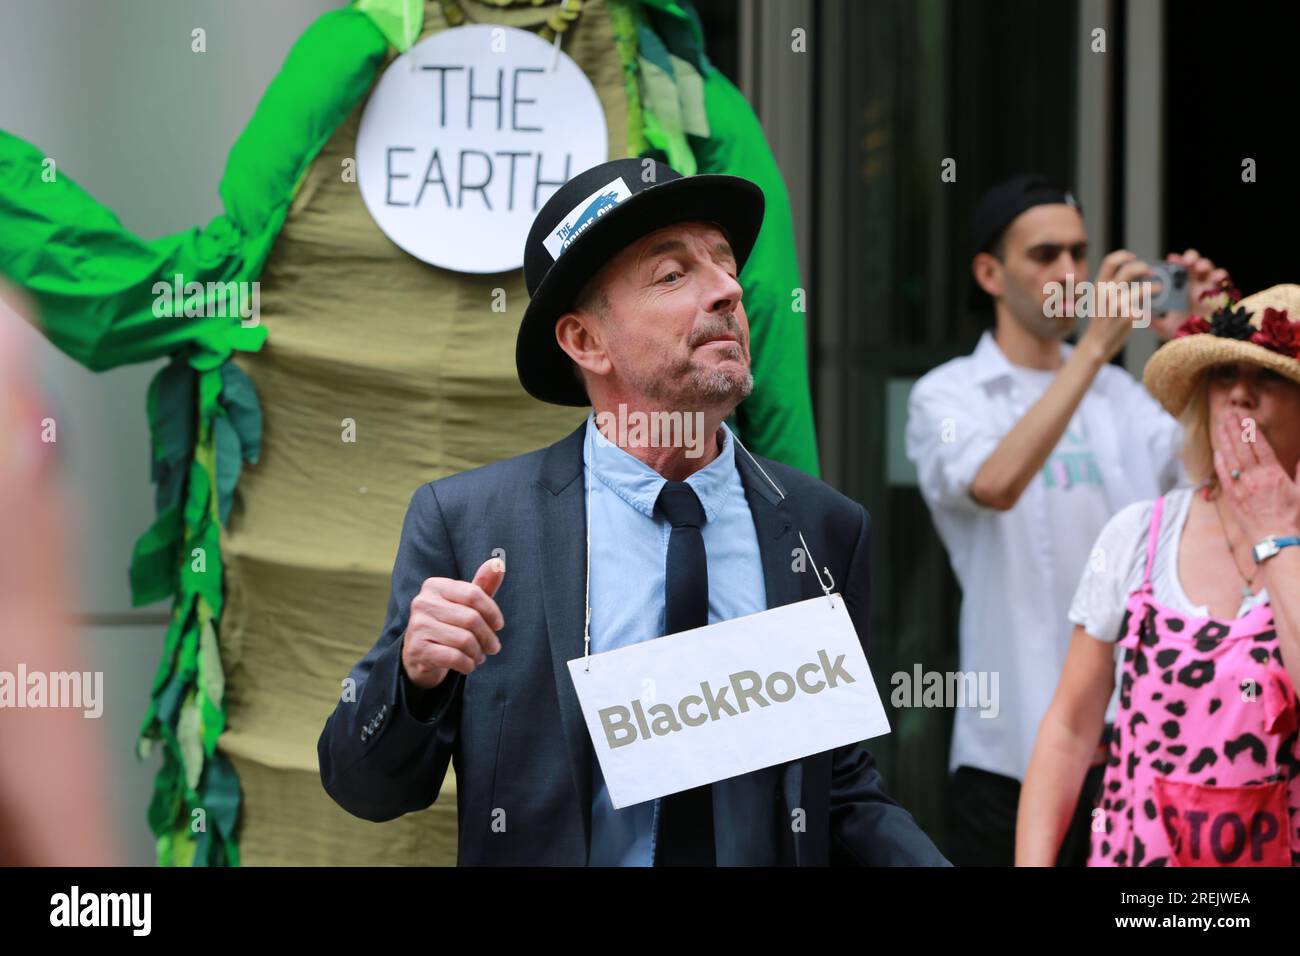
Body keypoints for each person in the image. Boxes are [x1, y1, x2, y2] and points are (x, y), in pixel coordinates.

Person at [317, 158, 947, 866]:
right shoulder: (469, 525)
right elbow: (366, 788)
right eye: (674, 275)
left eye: (725, 264)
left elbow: (835, 788)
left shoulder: (819, 527)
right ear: (586, 341)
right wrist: (413, 679)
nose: (728, 291)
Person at [904, 174, 1229, 866]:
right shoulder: (950, 394)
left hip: (1132, 744)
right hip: (1006, 747)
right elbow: (993, 483)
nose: (1069, 274)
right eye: (1045, 255)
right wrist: (1090, 352)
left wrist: (1208, 347)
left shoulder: (1123, 397)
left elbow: (1222, 492)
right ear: (989, 273)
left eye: (1079, 255)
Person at [1017, 284, 1300, 866]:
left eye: (1269, 378)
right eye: (1225, 375)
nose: (1241, 394)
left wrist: (1276, 533)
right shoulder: (1138, 534)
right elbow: (1070, 728)